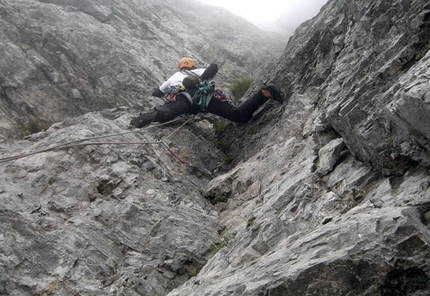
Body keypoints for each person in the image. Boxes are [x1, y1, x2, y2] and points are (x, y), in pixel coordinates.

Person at [130, 58, 284, 128]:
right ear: (192, 66)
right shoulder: (198, 70)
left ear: (180, 67)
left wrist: (165, 96)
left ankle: (153, 114)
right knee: (239, 116)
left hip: (184, 96)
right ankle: (265, 93)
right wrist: (200, 79)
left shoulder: (173, 77)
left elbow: (156, 93)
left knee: (168, 111)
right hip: (206, 97)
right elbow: (213, 68)